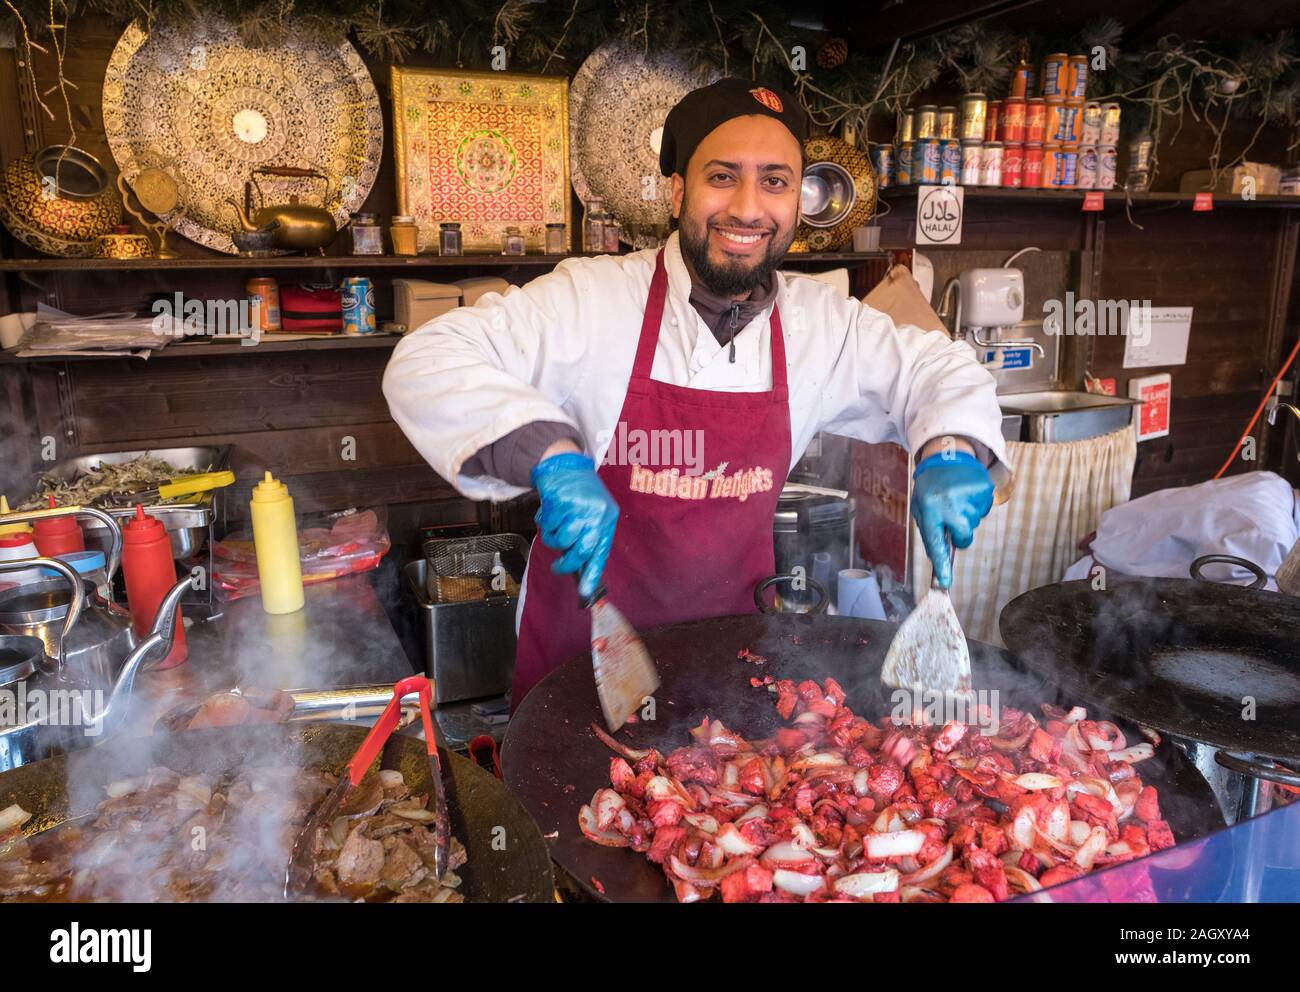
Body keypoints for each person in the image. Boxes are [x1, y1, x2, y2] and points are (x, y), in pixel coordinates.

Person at [384, 78, 1010, 707]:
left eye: (775, 181)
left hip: (730, 669)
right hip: (579, 665)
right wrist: (551, 457)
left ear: (797, 200)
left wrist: (950, 447)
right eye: (721, 177)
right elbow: (430, 357)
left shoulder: (823, 325)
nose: (747, 208)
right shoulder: (591, 299)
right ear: (678, 190)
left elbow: (937, 369)